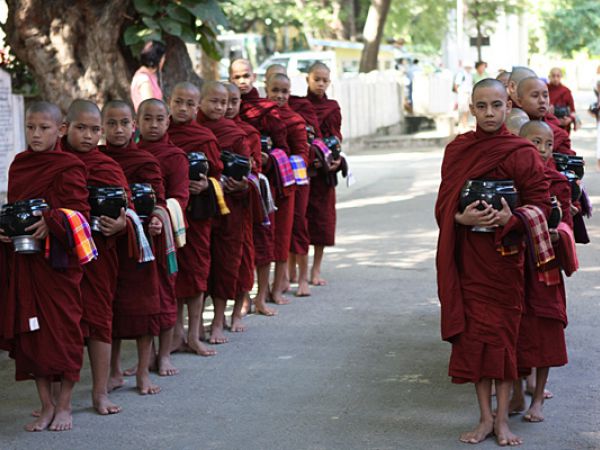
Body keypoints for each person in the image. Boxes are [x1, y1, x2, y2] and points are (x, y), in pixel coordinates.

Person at [436, 79, 550, 446]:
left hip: (507, 261)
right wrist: (459, 220)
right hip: (469, 259)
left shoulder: (521, 152)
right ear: (471, 108)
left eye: (496, 106)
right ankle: (484, 418)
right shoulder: (458, 150)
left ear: (507, 107)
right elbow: (444, 204)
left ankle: (502, 420)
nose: (489, 113)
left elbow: (541, 206)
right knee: (475, 341)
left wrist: (510, 220)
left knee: (502, 340)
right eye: (481, 106)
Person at [0, 101, 91, 431]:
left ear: (61, 130)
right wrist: (7, 229)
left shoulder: (70, 166)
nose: (35, 134)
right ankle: (46, 405)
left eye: (44, 128)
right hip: (26, 262)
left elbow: (81, 213)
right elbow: (14, 208)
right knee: (31, 334)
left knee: (64, 331)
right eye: (30, 127)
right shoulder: (19, 165)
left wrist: (51, 221)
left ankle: (65, 404)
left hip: (58, 264)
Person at [61, 99, 129, 415]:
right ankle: (56, 400)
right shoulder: (53, 161)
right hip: (60, 256)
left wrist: (120, 223)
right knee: (62, 323)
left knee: (99, 321)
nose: (87, 136)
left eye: (93, 130)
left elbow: (126, 209)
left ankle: (99, 393)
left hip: (99, 254)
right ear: (66, 128)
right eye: (81, 129)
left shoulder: (106, 165)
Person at [507, 120, 574, 423]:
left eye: (548, 144)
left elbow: (566, 226)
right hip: (516, 266)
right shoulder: (511, 180)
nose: (544, 150)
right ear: (521, 146)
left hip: (546, 269)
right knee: (515, 330)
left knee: (546, 331)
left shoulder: (558, 181)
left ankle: (537, 400)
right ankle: (518, 390)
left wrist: (559, 232)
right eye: (536, 143)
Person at [101, 100, 163, 395]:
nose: (118, 129)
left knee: (143, 309)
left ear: (133, 126)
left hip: (139, 244)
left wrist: (155, 222)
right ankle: (113, 372)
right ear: (102, 127)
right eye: (111, 123)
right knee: (109, 308)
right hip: (106, 245)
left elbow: (158, 202)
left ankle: (141, 372)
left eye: (124, 123)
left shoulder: (145, 160)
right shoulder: (95, 160)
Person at [229, 58, 290, 308]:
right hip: (233, 187)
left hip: (264, 184)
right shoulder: (224, 107)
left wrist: (268, 157)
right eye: (237, 77)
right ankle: (242, 298)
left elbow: (283, 148)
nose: (242, 81)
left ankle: (261, 296)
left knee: (264, 241)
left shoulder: (265, 108)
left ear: (254, 77)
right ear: (230, 79)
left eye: (246, 76)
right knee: (240, 246)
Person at [167, 81, 221, 354]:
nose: (183, 108)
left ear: (197, 106)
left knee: (198, 272)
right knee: (174, 271)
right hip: (171, 214)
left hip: (198, 216)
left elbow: (219, 175)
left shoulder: (204, 137)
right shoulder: (159, 134)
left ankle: (195, 332)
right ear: (169, 101)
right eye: (178, 102)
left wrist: (207, 185)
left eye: (190, 104)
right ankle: (176, 333)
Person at [137, 98, 189, 375]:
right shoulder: (129, 154)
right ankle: (148, 354)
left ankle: (165, 353)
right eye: (148, 119)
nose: (154, 125)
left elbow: (180, 197)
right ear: (138, 121)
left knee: (166, 292)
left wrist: (159, 215)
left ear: (168, 121)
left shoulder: (175, 156)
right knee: (141, 296)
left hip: (163, 232)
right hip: (133, 235)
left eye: (159, 119)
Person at [196, 81, 251, 343]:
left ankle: (218, 320)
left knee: (226, 263)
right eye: (215, 102)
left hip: (230, 209)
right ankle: (194, 325)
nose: (221, 107)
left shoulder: (236, 134)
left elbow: (251, 175)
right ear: (201, 102)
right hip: (197, 208)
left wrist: (242, 184)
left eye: (226, 102)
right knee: (196, 265)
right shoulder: (189, 129)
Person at [223, 82, 275, 316]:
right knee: (229, 256)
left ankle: (259, 297)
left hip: (249, 198)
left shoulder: (248, 132)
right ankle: (238, 300)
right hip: (219, 200)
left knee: (258, 248)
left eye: (234, 101)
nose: (228, 106)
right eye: (223, 101)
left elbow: (257, 167)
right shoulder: (207, 129)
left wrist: (246, 181)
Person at [265, 73, 311, 297]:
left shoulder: (294, 119)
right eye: (275, 91)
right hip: (269, 182)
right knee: (269, 232)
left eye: (284, 92)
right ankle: (278, 280)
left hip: (294, 180)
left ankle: (302, 278)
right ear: (266, 88)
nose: (280, 96)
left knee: (296, 228)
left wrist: (282, 161)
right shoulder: (260, 115)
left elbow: (303, 152)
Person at [305, 62, 343, 287]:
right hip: (305, 170)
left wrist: (335, 157)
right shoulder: (298, 106)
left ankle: (315, 269)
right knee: (301, 221)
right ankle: (295, 270)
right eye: (316, 79)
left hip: (325, 171)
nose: (320, 84)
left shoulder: (332, 107)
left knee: (322, 222)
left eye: (324, 80)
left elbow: (336, 136)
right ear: (307, 79)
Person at [516, 76, 575, 156]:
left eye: (545, 96)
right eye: (535, 95)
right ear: (519, 101)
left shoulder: (557, 133)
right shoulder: (511, 127)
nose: (542, 101)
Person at [130, 40, 166, 112]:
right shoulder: (143, 79)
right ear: (158, 59)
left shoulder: (151, 76)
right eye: (163, 57)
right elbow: (149, 108)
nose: (164, 60)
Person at [547, 68, 577, 134]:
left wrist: (569, 119)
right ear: (549, 77)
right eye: (553, 76)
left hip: (563, 125)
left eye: (558, 76)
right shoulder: (544, 89)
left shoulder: (566, 91)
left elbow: (573, 111)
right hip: (548, 124)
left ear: (561, 77)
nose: (555, 78)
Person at [454, 64, 474, 131]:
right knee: (463, 110)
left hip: (468, 94)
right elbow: (456, 85)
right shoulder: (461, 74)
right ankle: (462, 125)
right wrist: (459, 94)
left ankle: (464, 124)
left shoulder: (470, 75)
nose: (469, 68)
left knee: (467, 110)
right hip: (463, 94)